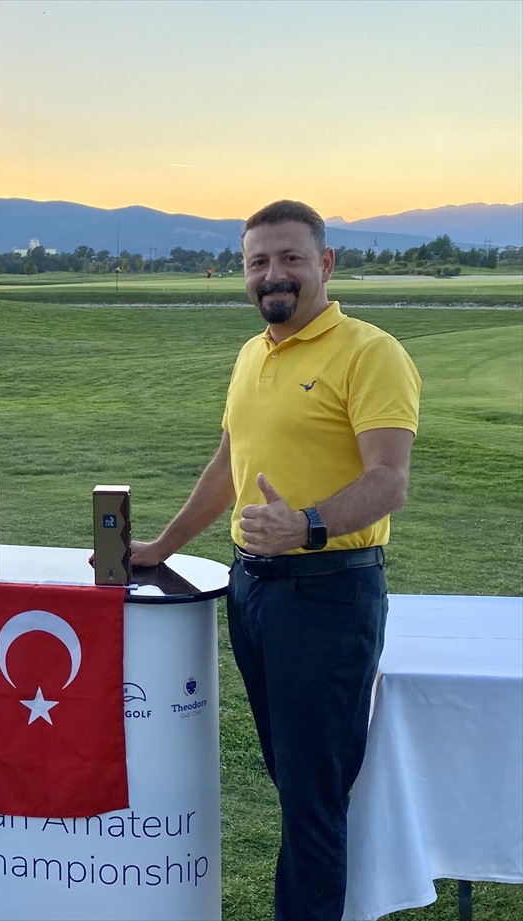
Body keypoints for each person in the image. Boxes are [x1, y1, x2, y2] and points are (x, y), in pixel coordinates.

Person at [129, 201, 421, 920]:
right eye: (258, 261)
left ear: (325, 264)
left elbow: (389, 480)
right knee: (293, 780)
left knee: (314, 792)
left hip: (328, 594)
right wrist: (164, 546)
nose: (273, 274)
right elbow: (228, 466)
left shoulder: (370, 352)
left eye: (290, 257)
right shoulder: (252, 353)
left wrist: (306, 526)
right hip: (253, 591)